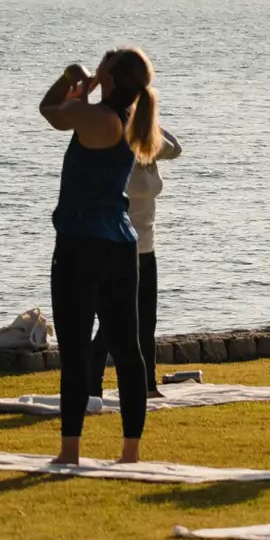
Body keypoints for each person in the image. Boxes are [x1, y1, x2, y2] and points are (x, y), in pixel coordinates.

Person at [38, 48, 164, 465]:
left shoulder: (102, 119)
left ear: (113, 75)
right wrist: (83, 90)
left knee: (75, 349)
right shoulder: (129, 118)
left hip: (82, 244)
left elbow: (51, 110)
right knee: (127, 348)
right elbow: (63, 113)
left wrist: (71, 79)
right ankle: (130, 451)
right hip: (120, 243)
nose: (101, 58)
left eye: (106, 59)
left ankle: (70, 450)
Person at [88, 127, 182, 399]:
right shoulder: (118, 152)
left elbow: (176, 148)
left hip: (146, 247)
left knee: (147, 318)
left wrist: (152, 124)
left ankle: (148, 385)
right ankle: (92, 381)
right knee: (115, 322)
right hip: (118, 246)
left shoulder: (151, 152)